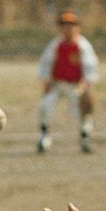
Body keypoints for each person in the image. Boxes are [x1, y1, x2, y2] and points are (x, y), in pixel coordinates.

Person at [36, 10, 99, 155]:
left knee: (82, 111)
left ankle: (85, 138)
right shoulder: (56, 44)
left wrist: (87, 84)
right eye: (64, 25)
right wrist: (45, 80)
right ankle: (44, 137)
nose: (67, 28)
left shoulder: (82, 45)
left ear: (77, 27)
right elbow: (45, 63)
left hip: (75, 85)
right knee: (46, 106)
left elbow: (90, 66)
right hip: (57, 84)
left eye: (71, 25)